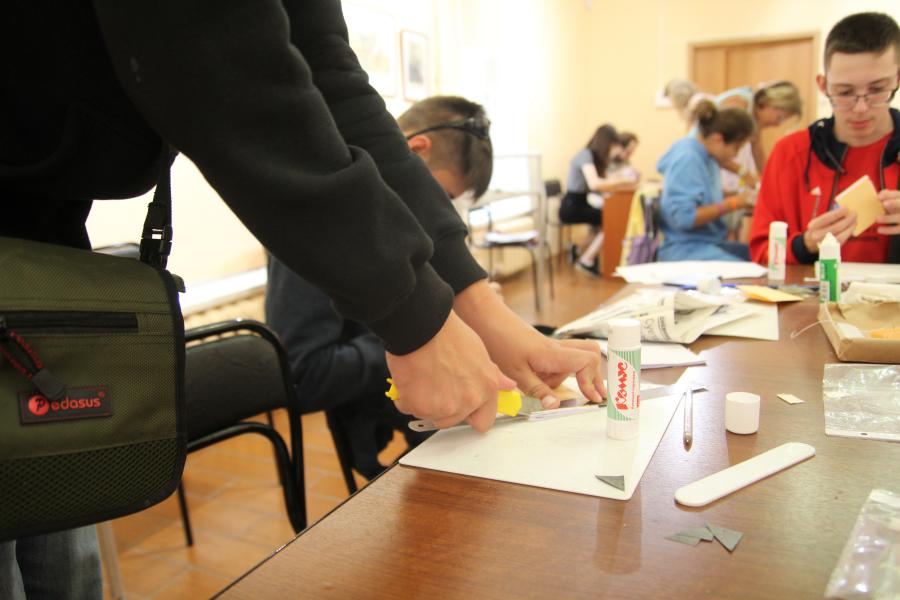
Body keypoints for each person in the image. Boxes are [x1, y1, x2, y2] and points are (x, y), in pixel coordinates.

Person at [1, 3, 604, 598]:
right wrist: (419, 319)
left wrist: (483, 313)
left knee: (64, 570)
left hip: (44, 253)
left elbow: (331, 81)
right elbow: (225, 63)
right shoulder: (321, 246)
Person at [266, 96, 494, 479]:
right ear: (415, 152)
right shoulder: (315, 229)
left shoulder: (390, 230)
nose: (438, 216)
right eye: (440, 198)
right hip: (384, 399)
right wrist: (423, 333)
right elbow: (304, 375)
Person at [750, 12, 900, 265]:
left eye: (877, 90)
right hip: (811, 290)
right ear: (823, 86)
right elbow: (761, 254)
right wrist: (805, 245)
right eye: (844, 92)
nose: (860, 108)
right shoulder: (791, 152)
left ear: (897, 79)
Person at [656, 101, 756, 261]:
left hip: (705, 243)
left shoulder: (706, 157)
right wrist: (734, 203)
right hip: (685, 248)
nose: (735, 155)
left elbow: (703, 197)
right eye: (736, 148)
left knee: (759, 255)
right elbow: (684, 218)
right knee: (753, 270)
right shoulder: (688, 159)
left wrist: (738, 196)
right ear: (718, 139)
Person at [559, 124, 638, 276]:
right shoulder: (585, 155)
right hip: (571, 206)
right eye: (613, 146)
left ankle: (579, 249)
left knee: (604, 221)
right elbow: (594, 184)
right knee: (611, 220)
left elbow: (604, 181)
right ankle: (586, 260)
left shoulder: (592, 158)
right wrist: (623, 180)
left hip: (580, 203)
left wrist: (620, 178)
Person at [711, 80, 803, 191]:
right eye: (779, 118)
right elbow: (715, 150)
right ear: (770, 103)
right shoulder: (739, 105)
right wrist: (744, 173)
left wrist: (774, 184)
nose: (777, 124)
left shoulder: (754, 118)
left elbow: (758, 153)